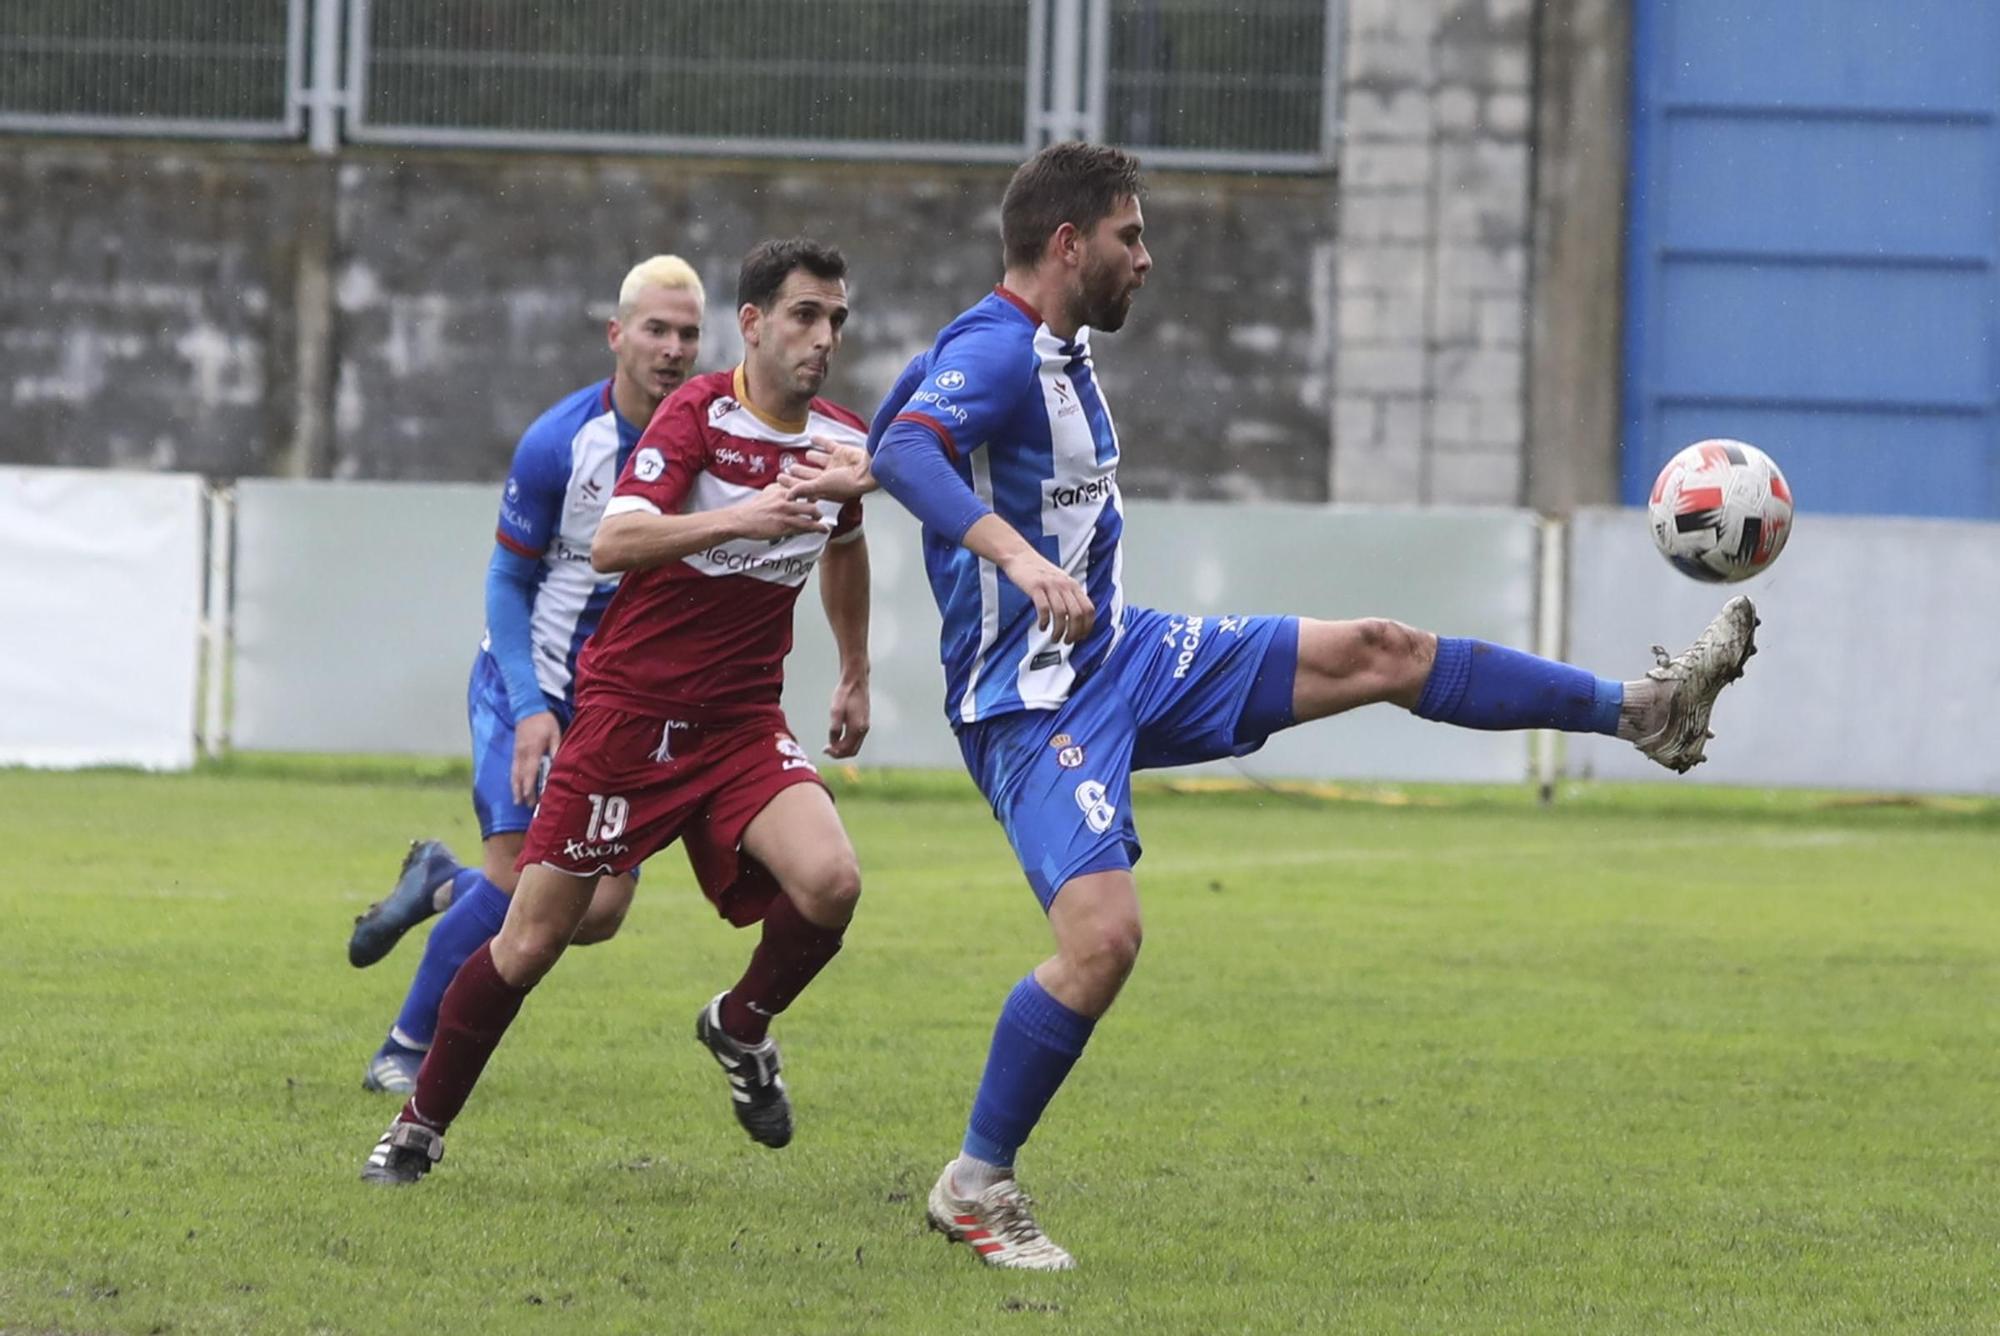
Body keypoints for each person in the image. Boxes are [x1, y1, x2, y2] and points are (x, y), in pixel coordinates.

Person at [861, 142, 1759, 1270]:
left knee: (1386, 647)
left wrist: (848, 470)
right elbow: (908, 442)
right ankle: (973, 1184)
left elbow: (889, 431)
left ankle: (1643, 711)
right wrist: (1008, 552)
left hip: (1128, 655)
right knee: (1102, 943)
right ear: (1065, 244)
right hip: (1029, 701)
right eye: (1130, 236)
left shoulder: (1038, 344)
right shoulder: (995, 352)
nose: (1148, 258)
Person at [361, 238, 875, 1185]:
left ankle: (739, 1025)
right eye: (805, 315)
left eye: (836, 319)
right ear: (753, 324)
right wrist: (743, 515)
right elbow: (616, 540)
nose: (823, 337)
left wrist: (852, 668)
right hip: (631, 719)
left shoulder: (839, 439)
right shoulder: (694, 416)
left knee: (833, 882)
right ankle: (418, 1126)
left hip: (740, 725)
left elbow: (845, 541)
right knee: (536, 936)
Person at [345, 255, 707, 1095]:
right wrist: (531, 704)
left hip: (623, 711)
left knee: (600, 911)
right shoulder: (561, 442)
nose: (672, 348)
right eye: (656, 329)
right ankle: (406, 1047)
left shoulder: (711, 442)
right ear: (618, 336)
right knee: (515, 877)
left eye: (688, 333)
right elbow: (509, 581)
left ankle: (440, 886)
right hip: (531, 688)